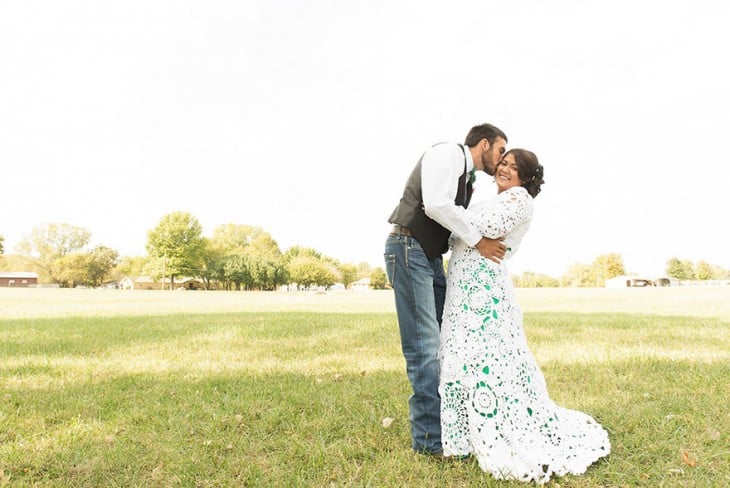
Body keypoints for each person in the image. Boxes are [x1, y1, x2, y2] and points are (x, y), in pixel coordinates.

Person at [438, 149, 610, 483]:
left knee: (485, 356)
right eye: (503, 163)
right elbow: (457, 233)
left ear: (526, 177)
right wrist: (458, 223)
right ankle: (464, 432)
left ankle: (492, 424)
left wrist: (451, 214)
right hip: (464, 286)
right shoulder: (492, 199)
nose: (505, 169)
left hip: (483, 291)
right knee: (462, 353)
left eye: (514, 167)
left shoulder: (520, 200)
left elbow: (484, 226)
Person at [384, 123, 508, 457]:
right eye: (500, 150)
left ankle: (451, 425)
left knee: (449, 341)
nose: (502, 158)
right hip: (409, 248)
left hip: (429, 256)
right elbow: (437, 205)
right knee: (424, 347)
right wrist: (479, 241)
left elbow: (453, 223)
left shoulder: (467, 179)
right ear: (484, 144)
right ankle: (428, 441)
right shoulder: (448, 154)